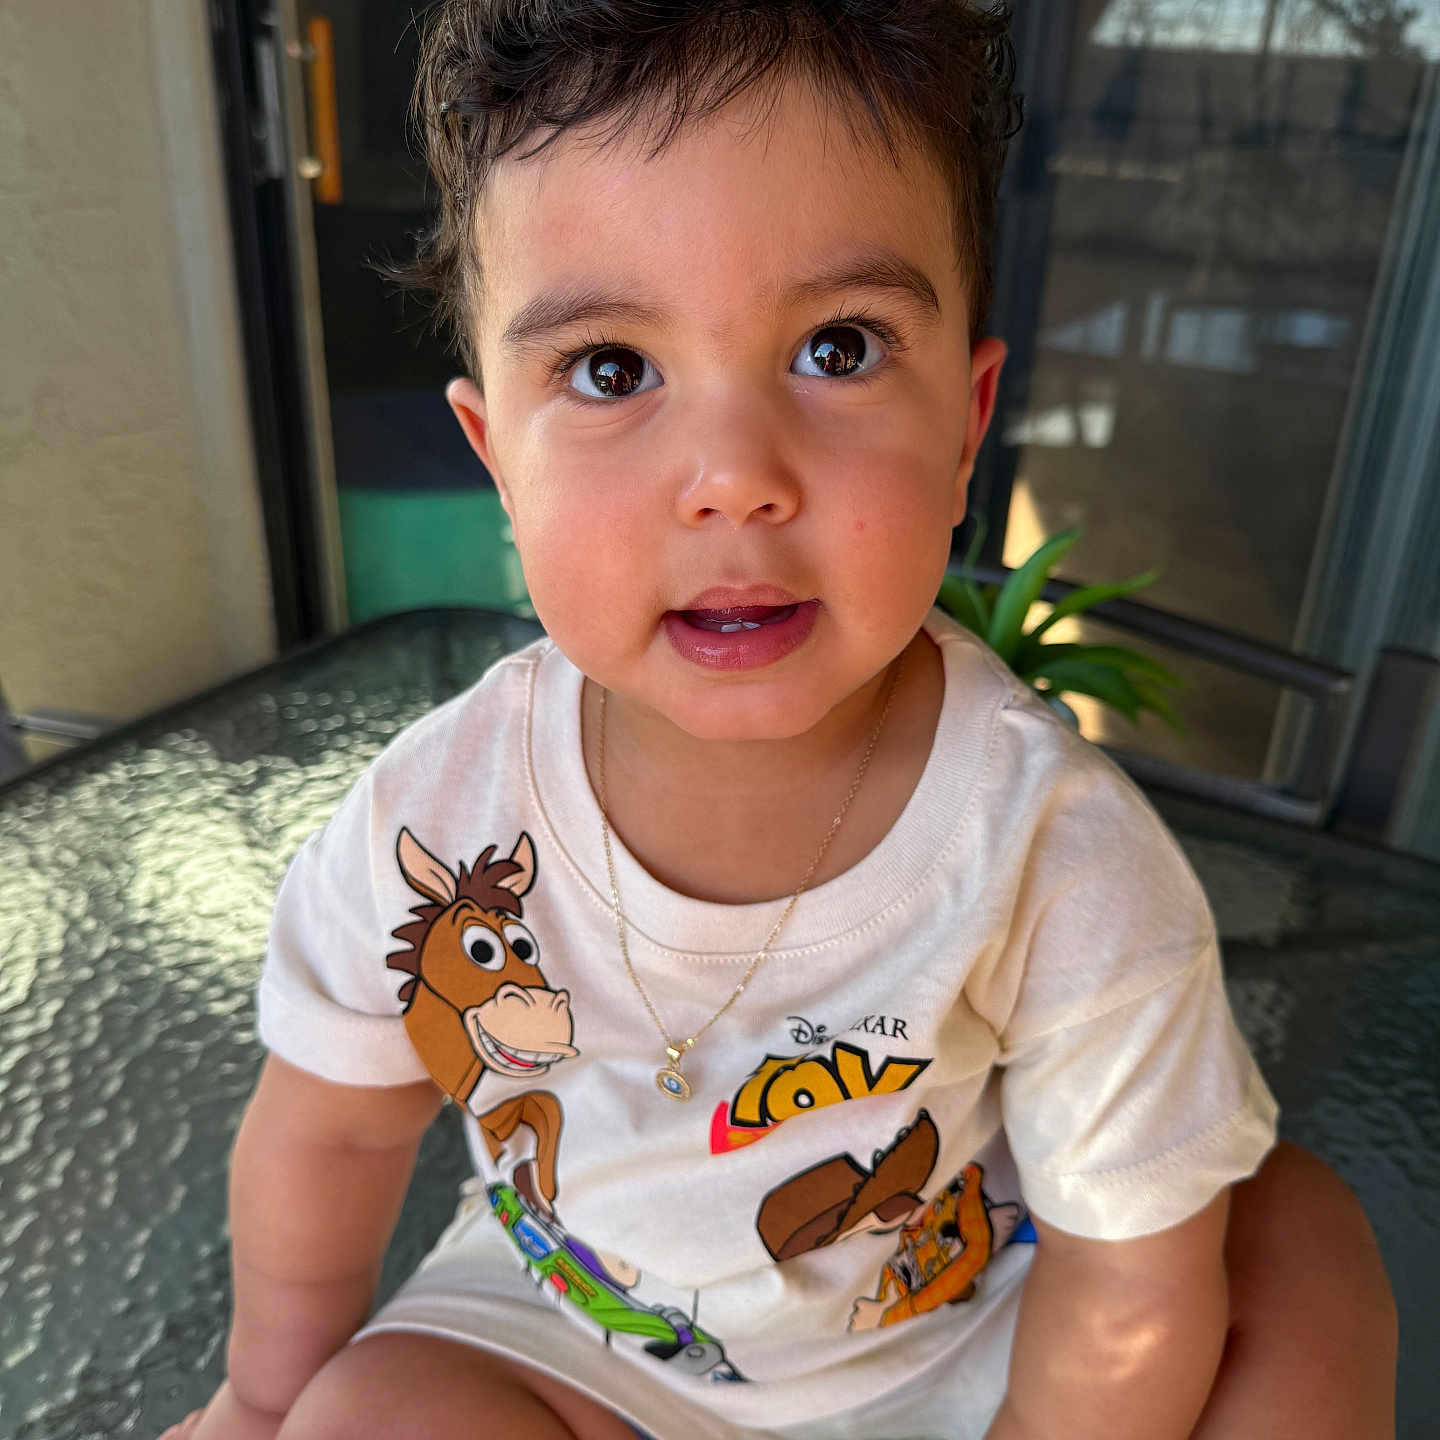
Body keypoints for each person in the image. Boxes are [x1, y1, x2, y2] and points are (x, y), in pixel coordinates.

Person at [162, 2, 1397, 1436]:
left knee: (1296, 1248)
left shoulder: (1052, 851)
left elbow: (1128, 1287)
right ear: (499, 460)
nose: (734, 477)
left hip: (972, 1344)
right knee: (357, 1418)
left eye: (840, 348)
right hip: (576, 1340)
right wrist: (256, 1404)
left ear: (964, 428)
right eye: (613, 370)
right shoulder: (434, 816)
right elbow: (329, 1125)